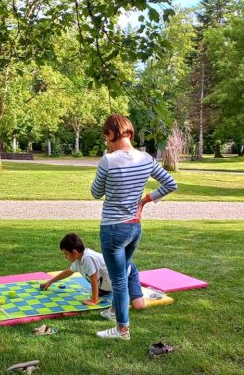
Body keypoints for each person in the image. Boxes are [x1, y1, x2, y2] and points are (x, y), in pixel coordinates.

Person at [91, 114, 177, 340]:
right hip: (134, 228)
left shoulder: (108, 160)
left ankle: (122, 329)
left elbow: (96, 193)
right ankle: (112, 311)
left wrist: (105, 159)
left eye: (106, 137)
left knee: (118, 280)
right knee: (125, 271)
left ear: (111, 134)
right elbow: (171, 183)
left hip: (113, 229)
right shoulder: (146, 158)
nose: (106, 142)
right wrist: (144, 200)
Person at [40, 233, 145, 312]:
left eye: (66, 254)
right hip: (107, 283)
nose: (65, 257)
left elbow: (93, 280)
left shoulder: (87, 258)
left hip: (127, 273)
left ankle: (127, 288)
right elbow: (68, 272)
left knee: (138, 306)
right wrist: (50, 282)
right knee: (102, 291)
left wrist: (94, 301)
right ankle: (112, 290)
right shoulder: (78, 259)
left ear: (74, 252)